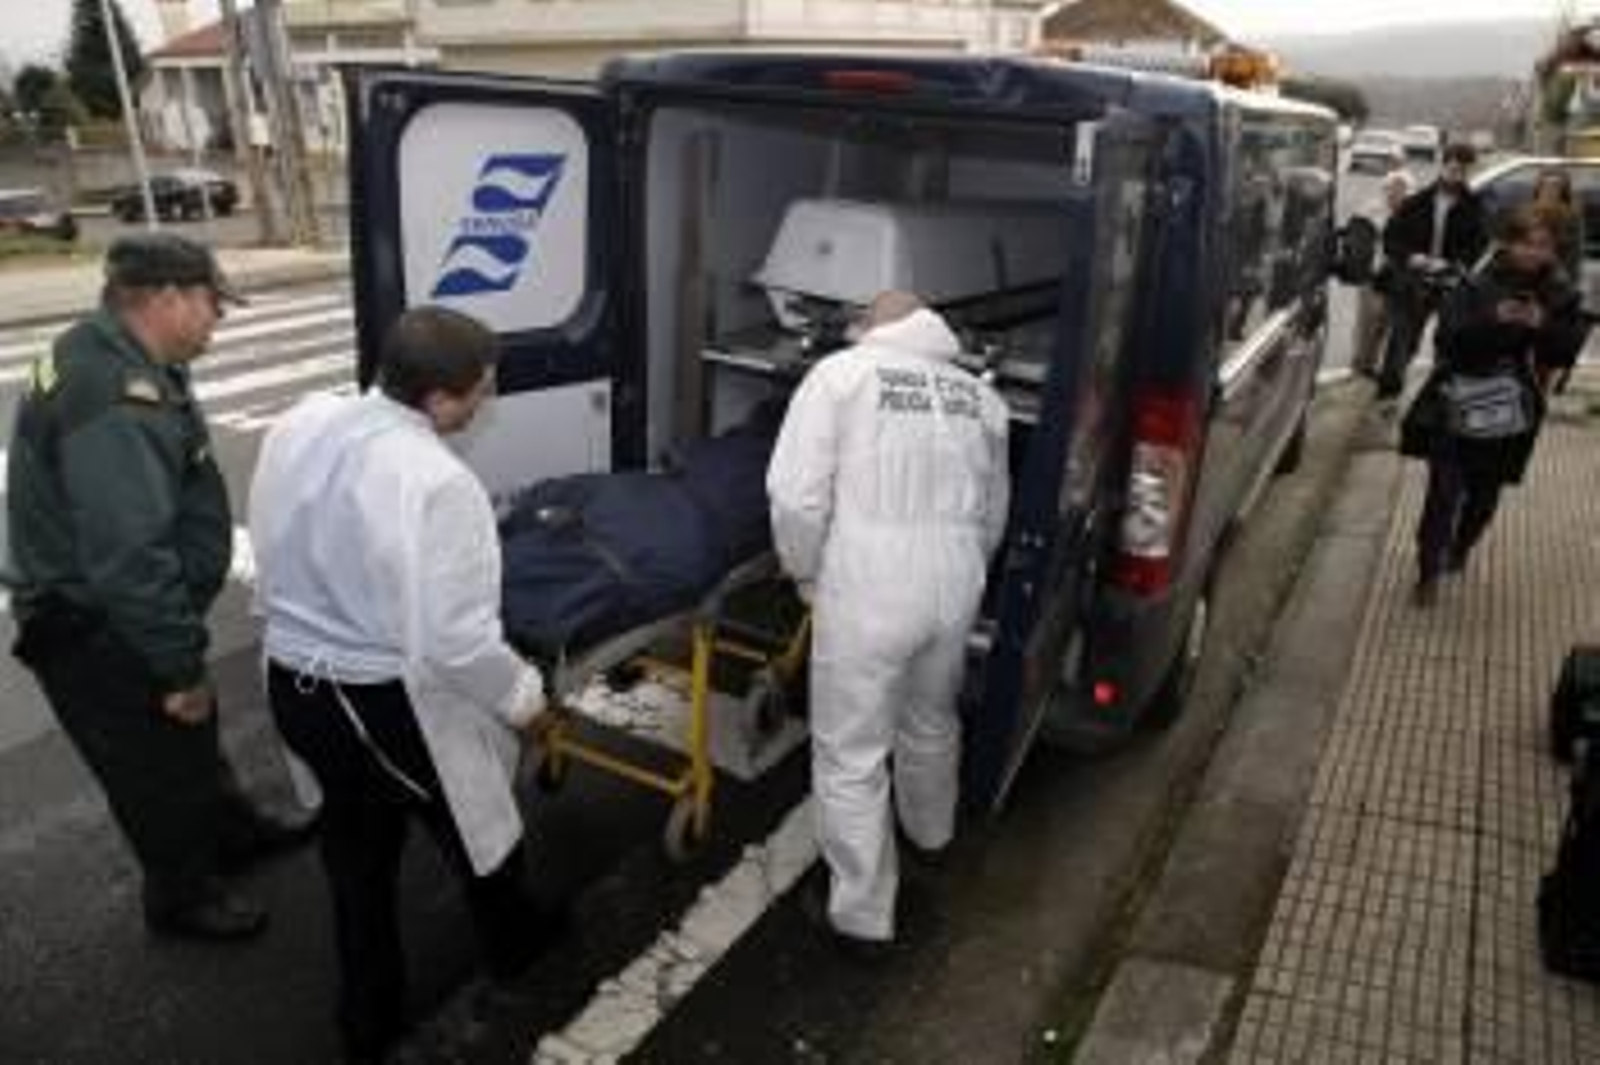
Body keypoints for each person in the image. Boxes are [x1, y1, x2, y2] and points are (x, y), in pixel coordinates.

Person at [250, 306, 561, 1063]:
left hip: (292, 681)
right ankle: (517, 942)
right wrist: (527, 702)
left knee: (355, 851)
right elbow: (457, 640)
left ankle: (368, 1021)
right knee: (476, 824)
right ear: (440, 398)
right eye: (481, 390)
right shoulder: (437, 481)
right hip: (371, 702)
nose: (486, 401)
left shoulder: (302, 423)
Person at [6, 233, 310, 943]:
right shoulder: (117, 394)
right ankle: (181, 895)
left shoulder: (110, 349)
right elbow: (129, 557)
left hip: (116, 610)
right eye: (212, 302)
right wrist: (179, 667)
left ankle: (230, 832)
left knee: (188, 742)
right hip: (98, 624)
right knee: (153, 768)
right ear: (168, 297)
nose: (218, 318)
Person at [767, 291, 1010, 957]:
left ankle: (863, 916)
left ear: (873, 324)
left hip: (870, 578)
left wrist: (805, 572)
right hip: (955, 576)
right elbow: (994, 512)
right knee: (932, 717)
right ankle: (932, 836)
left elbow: (796, 498)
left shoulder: (840, 377)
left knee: (851, 751)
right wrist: (966, 569)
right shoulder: (981, 399)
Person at [1407, 206, 1585, 608]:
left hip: (1513, 409)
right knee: (1443, 491)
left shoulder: (1559, 293)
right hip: (1457, 398)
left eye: (1542, 246)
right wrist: (1494, 320)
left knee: (1484, 497)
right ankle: (1427, 571)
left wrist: (1542, 325)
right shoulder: (1476, 282)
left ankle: (1460, 547)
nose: (1533, 253)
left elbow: (1566, 352)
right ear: (1508, 243)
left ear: (1553, 250)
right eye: (1525, 243)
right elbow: (1447, 340)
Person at [1377, 142, 1490, 399]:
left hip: (1451, 281)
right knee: (1403, 338)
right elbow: (1391, 238)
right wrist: (1411, 257)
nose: (1456, 175)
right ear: (1443, 166)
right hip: (1414, 280)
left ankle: (1440, 395)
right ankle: (1388, 392)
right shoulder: (1416, 201)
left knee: (1449, 340)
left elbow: (1479, 245)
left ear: (1469, 171)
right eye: (1453, 168)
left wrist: (1454, 264)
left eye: (1463, 170)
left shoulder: (1475, 206)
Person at [1351, 168, 1417, 379]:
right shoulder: (1371, 211)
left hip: (1397, 276)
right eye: (1393, 189)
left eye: (1403, 190)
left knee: (1385, 322)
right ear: (1385, 190)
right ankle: (1361, 364)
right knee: (1368, 321)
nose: (1397, 194)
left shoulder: (1412, 215)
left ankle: (1371, 363)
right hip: (1372, 274)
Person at [1530, 166, 1586, 282]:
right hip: (1529, 271)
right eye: (1545, 186)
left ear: (1562, 191)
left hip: (1557, 274)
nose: (1549, 191)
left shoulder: (1571, 216)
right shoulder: (1528, 212)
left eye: (1555, 186)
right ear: (1539, 188)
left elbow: (1573, 253)